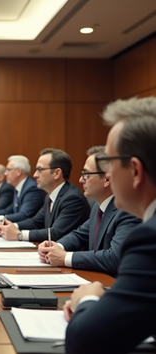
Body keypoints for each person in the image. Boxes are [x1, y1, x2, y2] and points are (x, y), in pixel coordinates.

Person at [64, 97, 156, 354]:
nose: (108, 175)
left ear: (135, 171)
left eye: (110, 165)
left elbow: (85, 341)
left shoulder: (150, 239)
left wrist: (88, 298)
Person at [37, 146, 140, 276]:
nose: (81, 180)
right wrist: (57, 246)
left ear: (107, 179)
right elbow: (80, 234)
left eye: (86, 174)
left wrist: (65, 257)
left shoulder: (128, 210)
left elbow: (115, 257)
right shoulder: (98, 206)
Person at [0, 148, 90, 242]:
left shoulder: (72, 198)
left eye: (39, 170)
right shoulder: (50, 195)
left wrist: (19, 235)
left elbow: (55, 233)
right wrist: (11, 226)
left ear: (56, 173)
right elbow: (36, 222)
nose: (35, 175)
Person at [0, 155, 46, 225]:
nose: (5, 173)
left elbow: (23, 215)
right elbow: (9, 210)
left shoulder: (32, 188)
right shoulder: (18, 186)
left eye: (8, 170)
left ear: (19, 171)